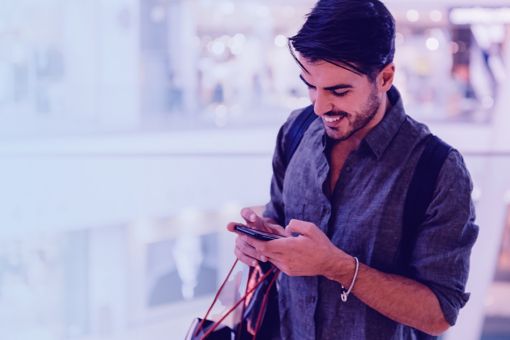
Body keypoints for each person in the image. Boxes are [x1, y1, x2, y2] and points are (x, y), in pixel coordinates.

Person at [226, 0, 479, 339]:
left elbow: (439, 313)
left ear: (385, 77)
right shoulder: (296, 131)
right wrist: (261, 242)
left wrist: (338, 267)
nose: (319, 106)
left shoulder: (438, 169)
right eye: (310, 86)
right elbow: (279, 215)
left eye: (339, 91)